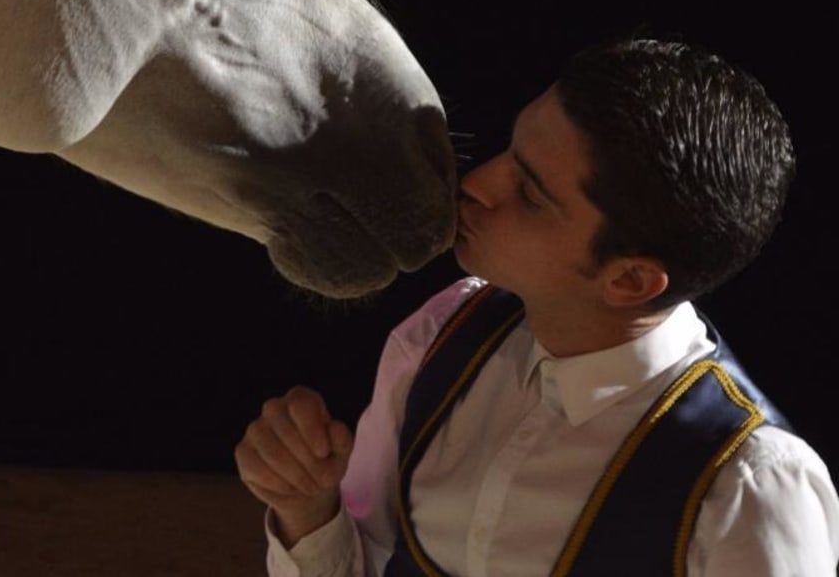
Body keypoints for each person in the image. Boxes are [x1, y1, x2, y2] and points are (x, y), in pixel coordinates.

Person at [235, 38, 839, 576]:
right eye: (510, 149)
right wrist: (307, 510)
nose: (477, 183)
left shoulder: (750, 484)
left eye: (529, 194)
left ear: (629, 279)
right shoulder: (441, 334)